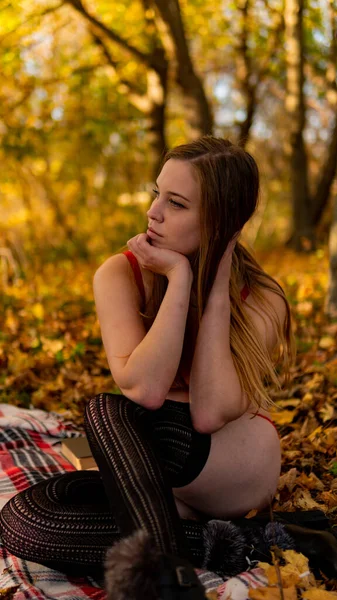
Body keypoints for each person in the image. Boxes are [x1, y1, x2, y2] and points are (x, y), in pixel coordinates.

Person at [0, 136, 297, 599]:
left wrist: (213, 288)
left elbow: (209, 413)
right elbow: (146, 387)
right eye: (156, 193)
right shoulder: (120, 274)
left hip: (233, 464)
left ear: (222, 220)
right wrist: (178, 279)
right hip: (159, 471)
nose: (153, 212)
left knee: (107, 411)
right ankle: (224, 547)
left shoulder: (262, 297)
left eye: (176, 203)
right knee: (30, 520)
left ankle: (163, 583)